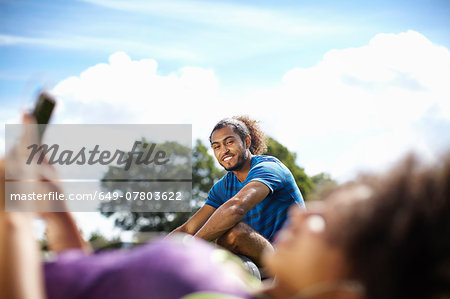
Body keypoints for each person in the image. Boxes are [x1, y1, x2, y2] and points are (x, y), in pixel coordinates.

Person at [2, 113, 449, 299]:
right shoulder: (227, 282)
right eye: (215, 145)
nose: (303, 211)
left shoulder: (268, 172)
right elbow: (91, 282)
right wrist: (56, 214)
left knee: (230, 230)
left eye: (328, 222)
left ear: (344, 292)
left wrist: (14, 224)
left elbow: (233, 212)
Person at [171, 116, 305, 267]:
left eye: (229, 142)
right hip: (263, 261)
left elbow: (236, 208)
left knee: (233, 234)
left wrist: (189, 249)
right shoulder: (222, 188)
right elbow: (188, 229)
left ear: (247, 142)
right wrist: (155, 256)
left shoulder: (269, 168)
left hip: (295, 258)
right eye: (217, 146)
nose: (224, 150)